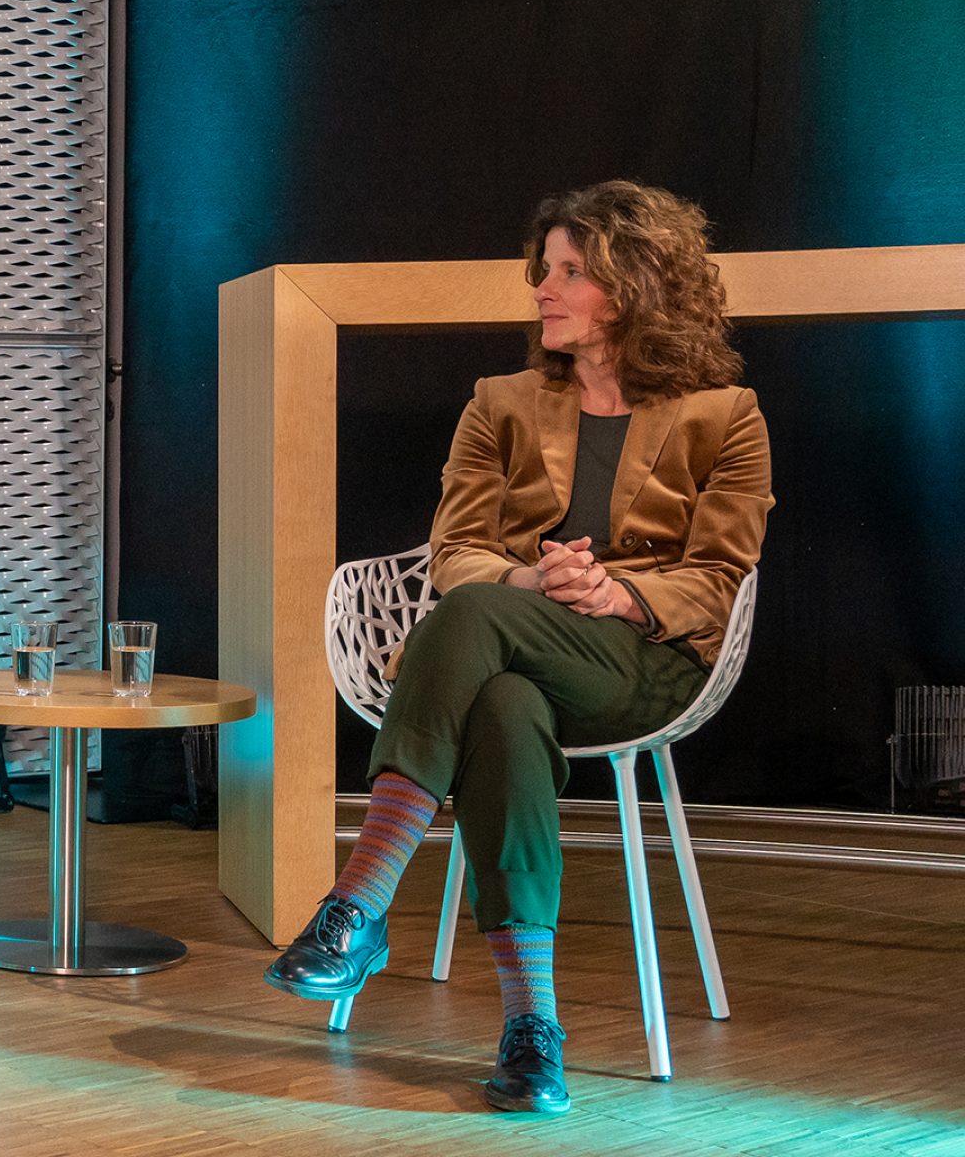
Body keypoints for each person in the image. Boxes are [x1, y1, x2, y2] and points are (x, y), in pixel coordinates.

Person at [262, 181, 771, 1114]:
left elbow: (719, 577)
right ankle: (533, 1033)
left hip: (641, 663)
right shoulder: (499, 402)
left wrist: (614, 591)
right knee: (499, 701)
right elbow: (455, 549)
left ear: (631, 286)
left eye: (571, 272)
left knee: (465, 625)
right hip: (513, 644)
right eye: (547, 267)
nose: (544, 287)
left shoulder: (724, 414)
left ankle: (358, 907)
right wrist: (532, 580)